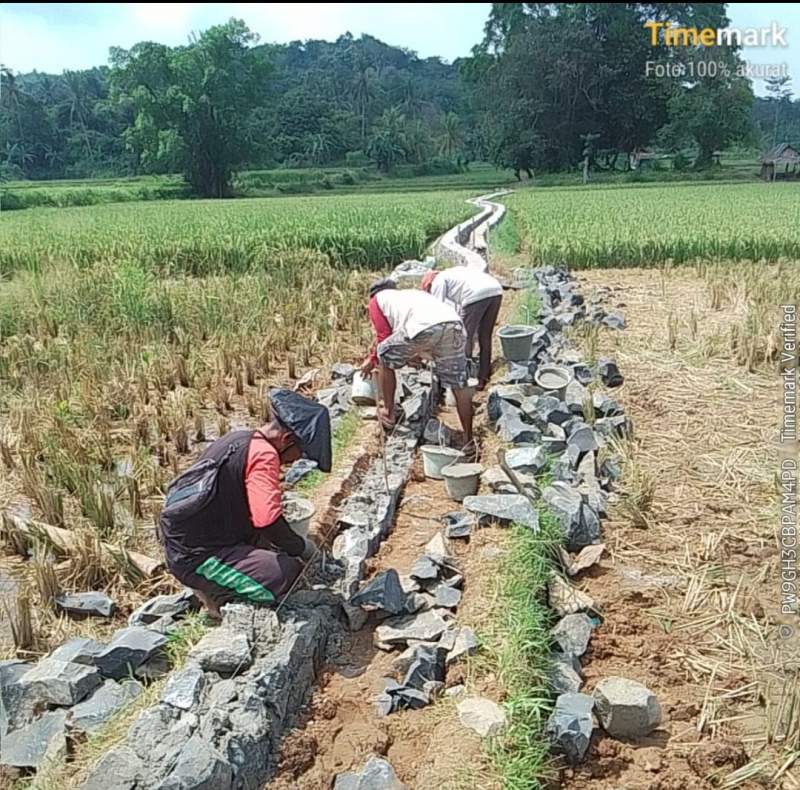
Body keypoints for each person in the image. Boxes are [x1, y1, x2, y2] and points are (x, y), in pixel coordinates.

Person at [158, 388, 331, 618]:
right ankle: (218, 598)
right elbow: (267, 520)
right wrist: (303, 548)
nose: (294, 461)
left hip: (194, 539)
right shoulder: (265, 456)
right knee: (286, 574)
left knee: (276, 547)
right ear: (287, 440)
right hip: (196, 556)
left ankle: (213, 582)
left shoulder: (240, 438)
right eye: (299, 454)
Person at [361, 278, 474, 448]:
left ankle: (389, 412)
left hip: (424, 327)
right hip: (455, 326)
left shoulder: (376, 301)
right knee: (459, 384)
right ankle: (468, 440)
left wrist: (372, 360)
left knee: (383, 354)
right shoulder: (411, 295)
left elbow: (383, 337)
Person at [420, 267, 503, 391]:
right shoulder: (453, 274)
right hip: (496, 290)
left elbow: (436, 310)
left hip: (475, 294)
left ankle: (463, 378)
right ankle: (483, 377)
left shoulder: (438, 281)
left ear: (429, 284)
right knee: (485, 335)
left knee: (464, 337)